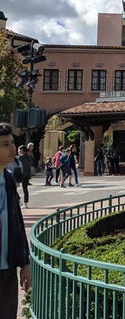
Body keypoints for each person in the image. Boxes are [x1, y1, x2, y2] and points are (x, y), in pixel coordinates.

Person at [0, 123, 31, 318]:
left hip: (6, 270)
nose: (13, 149)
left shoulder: (8, 179)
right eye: (5, 144)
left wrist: (24, 263)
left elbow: (17, 224)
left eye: (12, 143)